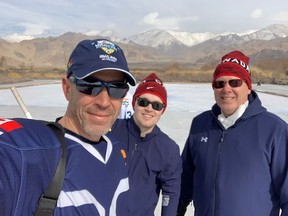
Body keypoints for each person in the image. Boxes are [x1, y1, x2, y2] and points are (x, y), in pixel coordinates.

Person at [0, 38, 136, 215]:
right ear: (67, 88)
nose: (104, 102)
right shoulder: (30, 154)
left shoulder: (116, 150)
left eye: (117, 88)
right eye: (89, 86)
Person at [177, 50, 288, 216]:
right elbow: (184, 180)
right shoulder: (200, 125)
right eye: (219, 84)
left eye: (234, 83)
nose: (226, 89)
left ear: (248, 87)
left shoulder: (275, 130)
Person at [108, 72, 182, 216]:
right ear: (134, 103)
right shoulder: (111, 131)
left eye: (156, 105)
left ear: (162, 111)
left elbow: (171, 194)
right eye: (143, 102)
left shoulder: (168, 148)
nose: (149, 108)